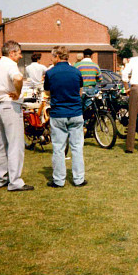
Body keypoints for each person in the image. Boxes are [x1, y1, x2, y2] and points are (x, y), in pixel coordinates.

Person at [0, 41, 34, 191]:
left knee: (1, 144)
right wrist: (17, 93)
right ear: (12, 53)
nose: (20, 56)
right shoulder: (11, 65)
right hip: (10, 106)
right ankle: (15, 181)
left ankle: (1, 179)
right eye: (18, 53)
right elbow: (17, 78)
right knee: (15, 144)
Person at [44, 46, 87, 187]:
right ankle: (79, 179)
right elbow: (80, 91)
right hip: (75, 112)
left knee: (58, 147)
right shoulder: (76, 72)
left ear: (57, 56)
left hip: (58, 114)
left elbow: (48, 92)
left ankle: (59, 180)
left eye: (52, 56)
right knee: (77, 147)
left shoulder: (50, 73)